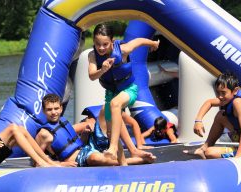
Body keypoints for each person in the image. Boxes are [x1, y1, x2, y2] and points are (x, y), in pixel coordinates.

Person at [88, 23, 160, 163]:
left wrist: (153, 43)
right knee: (111, 131)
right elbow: (91, 75)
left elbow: (138, 41)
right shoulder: (93, 55)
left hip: (129, 90)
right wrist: (102, 69)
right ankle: (124, 164)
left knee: (116, 104)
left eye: (105, 44)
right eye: (98, 44)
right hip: (111, 93)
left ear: (112, 41)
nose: (101, 48)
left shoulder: (123, 50)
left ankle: (113, 147)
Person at [35, 93, 155, 167]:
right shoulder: (44, 134)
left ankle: (133, 149)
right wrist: (60, 164)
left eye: (56, 108)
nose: (54, 112)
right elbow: (38, 161)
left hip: (88, 146)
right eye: (49, 109)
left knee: (108, 107)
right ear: (43, 111)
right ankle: (135, 160)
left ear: (61, 108)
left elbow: (77, 138)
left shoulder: (63, 122)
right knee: (94, 158)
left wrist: (86, 132)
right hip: (80, 159)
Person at [183, 72, 241, 159]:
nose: (220, 96)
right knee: (221, 115)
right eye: (218, 92)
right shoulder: (228, 97)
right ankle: (203, 148)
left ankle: (235, 153)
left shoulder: (238, 102)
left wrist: (238, 157)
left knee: (210, 152)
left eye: (223, 93)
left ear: (235, 91)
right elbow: (209, 102)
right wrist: (198, 120)